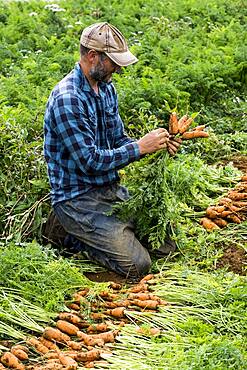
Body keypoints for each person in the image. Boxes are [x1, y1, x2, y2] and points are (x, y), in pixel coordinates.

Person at [43, 22, 181, 279]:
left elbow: (118, 139)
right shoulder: (67, 99)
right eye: (113, 62)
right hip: (78, 199)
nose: (118, 68)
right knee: (138, 265)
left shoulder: (106, 89)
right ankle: (69, 235)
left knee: (166, 243)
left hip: (109, 190)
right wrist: (139, 148)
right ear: (93, 56)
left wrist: (155, 146)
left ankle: (112, 229)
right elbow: (90, 161)